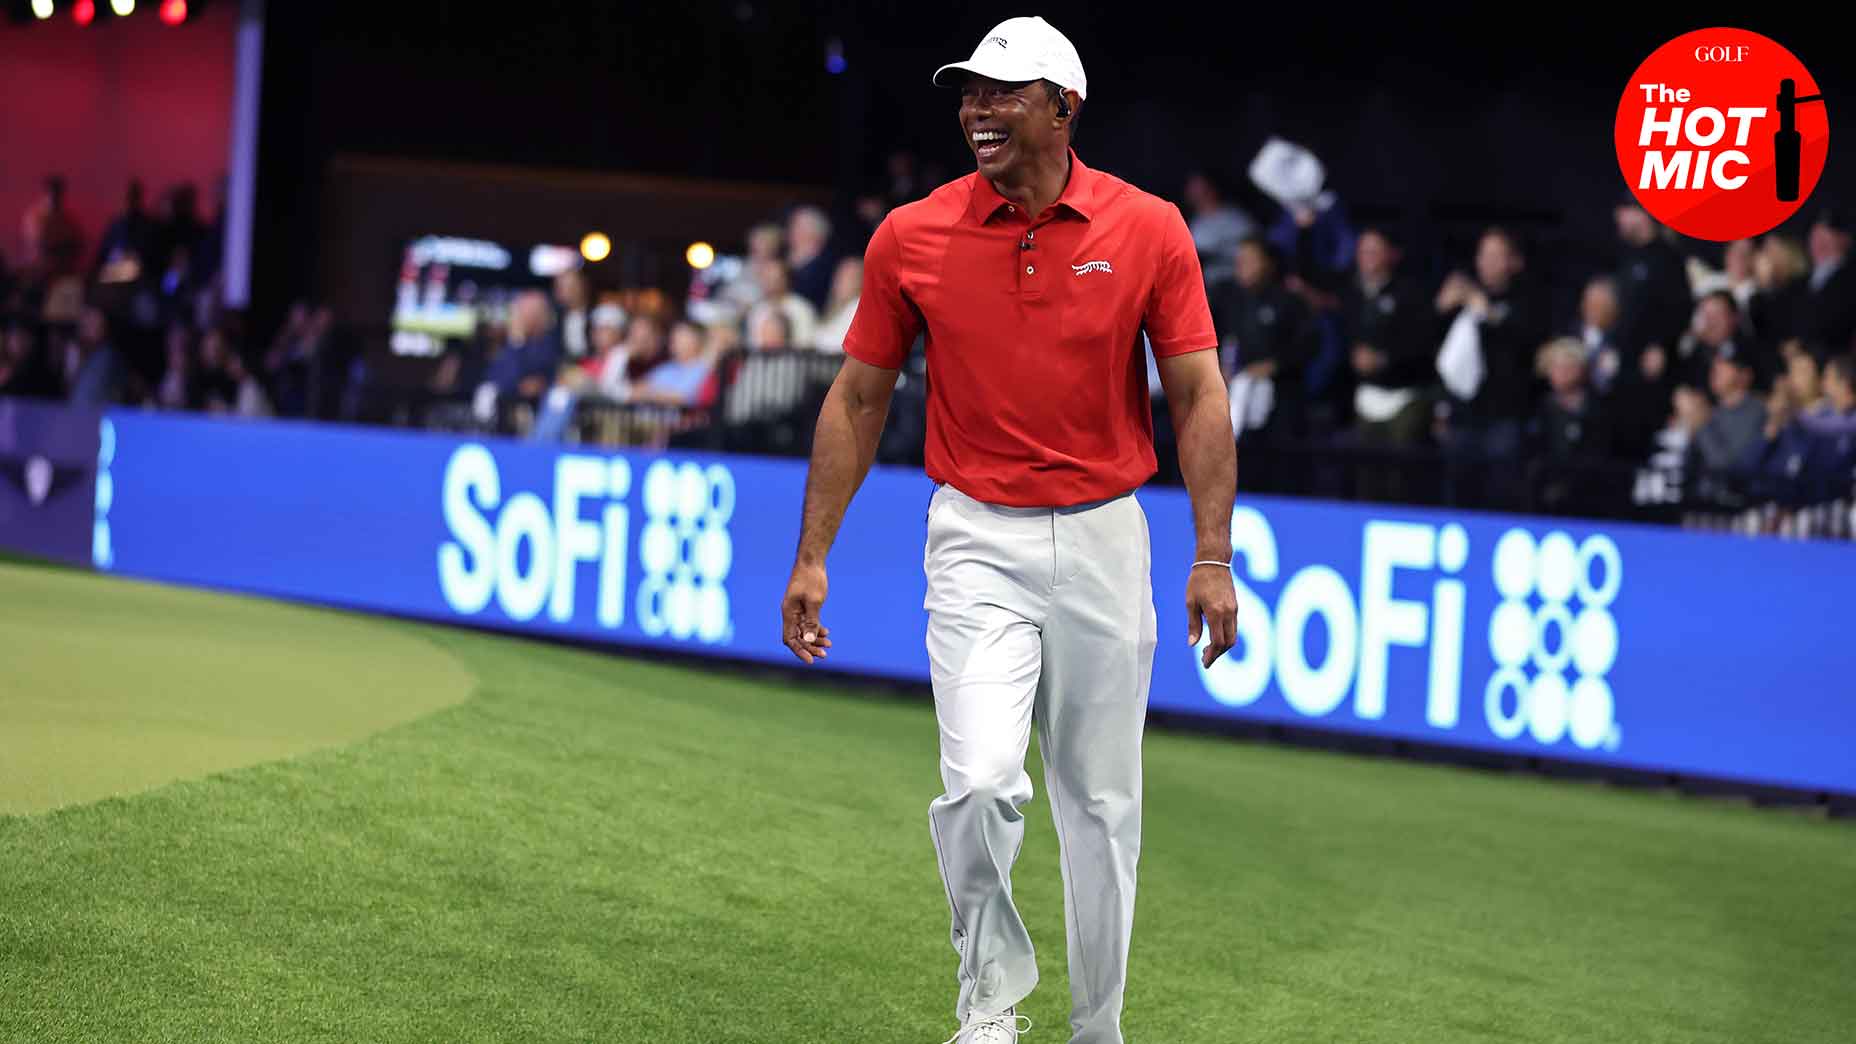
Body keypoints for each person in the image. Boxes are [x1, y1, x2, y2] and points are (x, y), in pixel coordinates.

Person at [779, 18, 1236, 1044]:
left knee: (1101, 808)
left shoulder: (1148, 227)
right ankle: (988, 1005)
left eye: (1002, 93)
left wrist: (1212, 555)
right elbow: (857, 399)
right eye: (967, 95)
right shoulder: (912, 233)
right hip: (974, 535)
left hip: (1106, 537)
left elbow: (1199, 397)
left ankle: (1096, 1028)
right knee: (980, 784)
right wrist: (814, 554)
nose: (976, 111)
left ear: (1064, 107)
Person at [1182, 171, 1255, 289]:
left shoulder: (1234, 217)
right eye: (1194, 192)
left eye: (1203, 191)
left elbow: (1253, 249)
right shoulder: (1194, 225)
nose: (1198, 195)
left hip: (1238, 280)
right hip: (1210, 285)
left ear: (1212, 189)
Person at [1801, 208, 1856, 353]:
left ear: (1845, 239)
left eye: (1827, 236)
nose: (1818, 242)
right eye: (1815, 236)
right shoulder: (1798, 283)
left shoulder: (1849, 280)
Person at [743, 260, 817, 349]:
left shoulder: (802, 309)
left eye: (775, 278)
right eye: (767, 278)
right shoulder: (757, 310)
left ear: (786, 280)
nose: (771, 283)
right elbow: (753, 346)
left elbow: (805, 345)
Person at [786, 205, 838, 312]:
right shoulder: (784, 259)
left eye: (797, 226)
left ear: (813, 233)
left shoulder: (826, 268)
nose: (791, 231)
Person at [812, 256, 863, 352]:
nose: (841, 282)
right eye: (840, 276)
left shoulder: (858, 307)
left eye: (850, 277)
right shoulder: (835, 310)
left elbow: (838, 345)